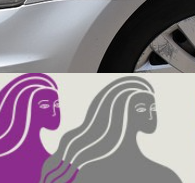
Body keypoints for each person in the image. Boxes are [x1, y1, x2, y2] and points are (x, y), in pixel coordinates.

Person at [39, 77, 181, 183]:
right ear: (119, 113)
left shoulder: (165, 174)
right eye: (141, 109)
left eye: (153, 108)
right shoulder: (91, 173)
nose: (151, 116)